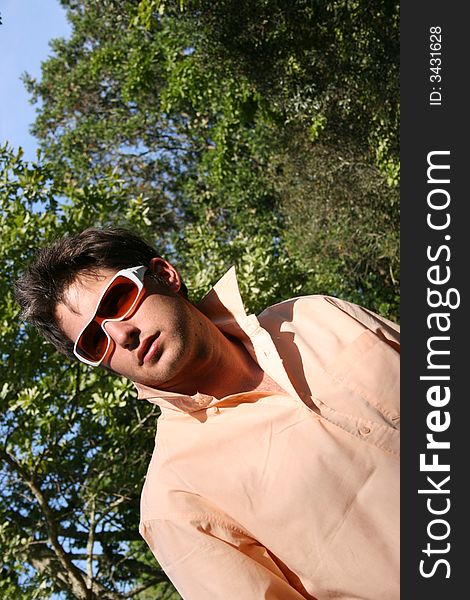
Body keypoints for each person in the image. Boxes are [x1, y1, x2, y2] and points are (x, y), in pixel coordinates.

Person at [15, 227, 400, 600]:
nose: (120, 335)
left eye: (117, 300)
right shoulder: (175, 502)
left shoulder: (314, 315)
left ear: (165, 275)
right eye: (95, 341)